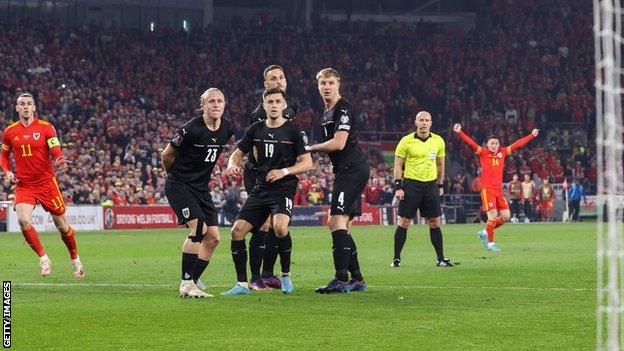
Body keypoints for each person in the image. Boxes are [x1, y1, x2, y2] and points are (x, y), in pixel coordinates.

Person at [221, 87, 313, 296]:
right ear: (264, 105)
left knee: (280, 228)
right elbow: (237, 153)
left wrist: (284, 171)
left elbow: (308, 163)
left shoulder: (294, 131)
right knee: (236, 232)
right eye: (269, 102)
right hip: (260, 188)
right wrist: (231, 165)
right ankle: (242, 285)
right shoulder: (256, 129)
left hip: (283, 188)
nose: (273, 105)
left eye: (277, 102)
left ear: (284, 105)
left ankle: (286, 275)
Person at [0, 93, 85, 277]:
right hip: (24, 184)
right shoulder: (9, 132)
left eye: (29, 104)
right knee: (23, 220)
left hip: (47, 183)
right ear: (16, 108)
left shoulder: (46, 128)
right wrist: (7, 171)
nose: (25, 107)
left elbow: (55, 149)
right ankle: (44, 259)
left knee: (62, 226)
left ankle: (76, 261)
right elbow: (4, 157)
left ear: (34, 107)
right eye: (22, 104)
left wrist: (60, 159)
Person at [161, 88, 235, 298]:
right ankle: (186, 284)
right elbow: (166, 155)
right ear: (203, 105)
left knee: (213, 238)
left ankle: (192, 281)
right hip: (179, 184)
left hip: (201, 188)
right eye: (211, 101)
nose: (216, 104)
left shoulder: (227, 129)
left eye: (220, 101)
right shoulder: (190, 129)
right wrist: (173, 177)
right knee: (199, 228)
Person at [309, 68, 370, 294]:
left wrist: (310, 148)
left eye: (331, 83)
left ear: (338, 84)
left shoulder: (343, 108)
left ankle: (341, 279)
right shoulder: (327, 111)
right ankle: (357, 279)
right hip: (346, 170)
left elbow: (339, 143)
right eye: (323, 83)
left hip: (352, 169)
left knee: (335, 222)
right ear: (318, 86)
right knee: (342, 225)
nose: (326, 86)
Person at [245, 65, 299, 291]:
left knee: (278, 224)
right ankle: (257, 277)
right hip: (260, 173)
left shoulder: (291, 106)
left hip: (280, 176)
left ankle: (269, 273)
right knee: (262, 225)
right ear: (265, 85)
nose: (278, 81)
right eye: (272, 79)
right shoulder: (259, 115)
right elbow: (255, 150)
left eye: (281, 77)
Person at [454, 123, 539, 251]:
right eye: (492, 143)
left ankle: (484, 232)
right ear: (487, 144)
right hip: (487, 189)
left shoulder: (502, 152)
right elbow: (471, 143)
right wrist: (460, 132)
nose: (494, 145)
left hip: (498, 190)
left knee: (505, 216)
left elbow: (517, 144)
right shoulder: (482, 152)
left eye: (496, 143)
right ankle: (491, 243)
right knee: (492, 216)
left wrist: (531, 135)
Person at [391, 111, 453, 268]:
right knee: (404, 222)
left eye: (427, 120)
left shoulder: (438, 141)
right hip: (411, 185)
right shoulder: (406, 141)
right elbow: (398, 165)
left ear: (431, 123)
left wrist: (440, 185)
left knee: (434, 222)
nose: (424, 123)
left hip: (431, 185)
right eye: (421, 120)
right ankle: (396, 258)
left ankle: (440, 259)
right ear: (416, 122)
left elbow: (440, 164)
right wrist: (398, 187)